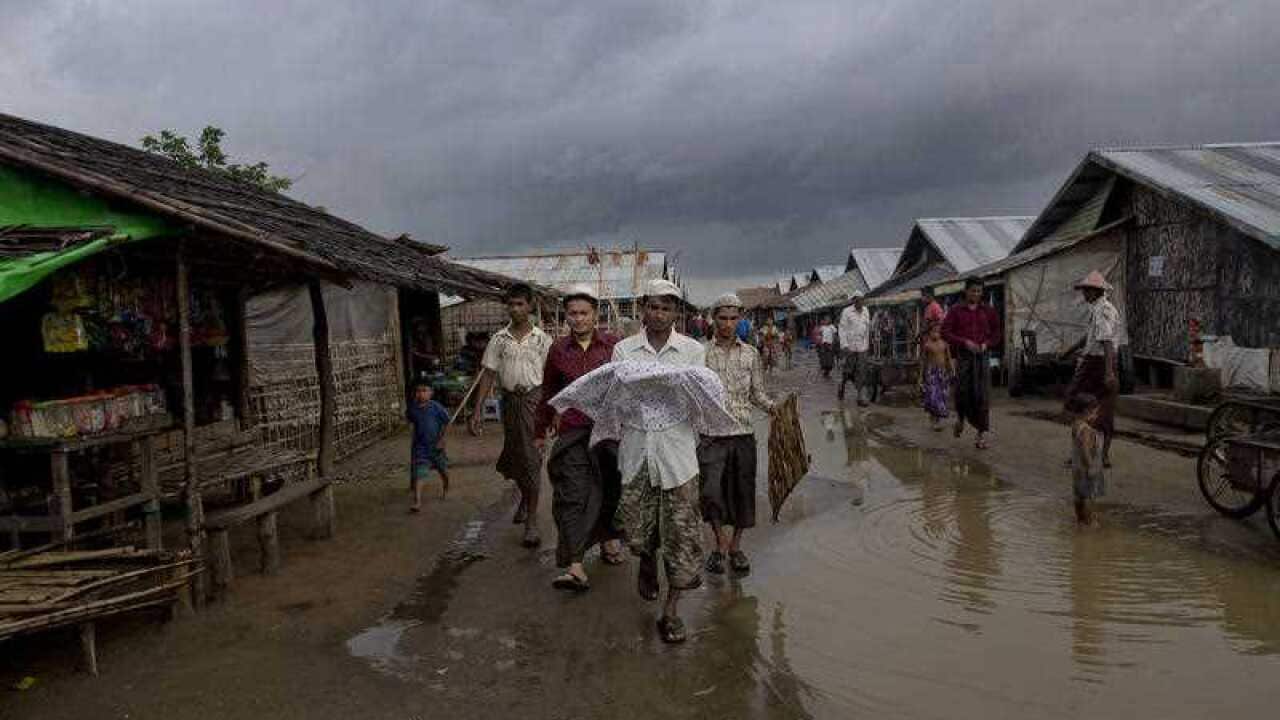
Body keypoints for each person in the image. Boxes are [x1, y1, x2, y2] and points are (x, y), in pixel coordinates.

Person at [612, 278, 707, 644]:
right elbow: (621, 398)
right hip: (636, 453)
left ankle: (671, 612)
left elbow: (695, 401)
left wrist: (657, 390)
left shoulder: (692, 351)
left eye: (667, 307)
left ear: (676, 313)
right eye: (653, 306)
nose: (659, 313)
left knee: (682, 535)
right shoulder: (623, 350)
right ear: (643, 308)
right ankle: (646, 563)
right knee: (639, 529)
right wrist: (659, 390)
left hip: (679, 458)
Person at [535, 285, 623, 592]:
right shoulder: (558, 350)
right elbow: (548, 393)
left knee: (610, 490)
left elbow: (627, 387)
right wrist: (539, 431)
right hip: (573, 433)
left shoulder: (613, 346)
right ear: (565, 316)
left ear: (595, 314)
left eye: (584, 313)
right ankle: (575, 565)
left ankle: (610, 538)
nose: (578, 319)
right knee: (572, 495)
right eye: (572, 313)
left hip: (609, 433)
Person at [469, 283, 553, 547]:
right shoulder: (499, 339)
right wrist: (478, 409)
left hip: (535, 403)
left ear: (530, 306)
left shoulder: (542, 340)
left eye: (521, 304)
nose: (516, 309)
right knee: (515, 456)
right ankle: (526, 499)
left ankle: (531, 522)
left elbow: (551, 378)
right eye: (511, 304)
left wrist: (554, 411)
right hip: (509, 403)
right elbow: (488, 375)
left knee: (531, 458)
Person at [700, 294, 774, 576]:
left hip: (743, 431)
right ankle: (719, 543)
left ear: (740, 320)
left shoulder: (751, 354)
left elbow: (757, 393)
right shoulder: (702, 353)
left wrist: (772, 407)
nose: (728, 324)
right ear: (714, 319)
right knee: (711, 492)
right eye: (723, 318)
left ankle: (735, 547)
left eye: (733, 318)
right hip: (712, 433)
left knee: (743, 491)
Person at [1059, 271, 1123, 467]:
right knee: (1104, 409)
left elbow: (1107, 343)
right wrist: (1069, 350)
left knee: (1074, 401)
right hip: (1099, 361)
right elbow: (1090, 337)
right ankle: (1097, 453)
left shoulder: (1103, 311)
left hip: (1098, 363)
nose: (1083, 294)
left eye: (1086, 290)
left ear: (1095, 291)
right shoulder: (1099, 309)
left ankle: (1091, 450)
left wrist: (1109, 372)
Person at [942, 277, 1001, 449]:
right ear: (966, 291)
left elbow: (997, 333)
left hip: (982, 358)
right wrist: (964, 342)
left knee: (982, 395)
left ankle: (981, 435)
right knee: (962, 393)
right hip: (964, 358)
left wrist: (986, 344)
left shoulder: (988, 311)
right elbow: (945, 332)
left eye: (979, 291)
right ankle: (960, 419)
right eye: (973, 290)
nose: (976, 294)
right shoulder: (955, 310)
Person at [406, 381, 451, 512]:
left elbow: (447, 423)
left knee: (444, 472)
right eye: (418, 391)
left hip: (437, 447)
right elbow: (410, 421)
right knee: (420, 474)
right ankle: (417, 501)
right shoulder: (412, 409)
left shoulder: (436, 407)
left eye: (424, 390)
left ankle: (446, 488)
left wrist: (442, 439)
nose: (421, 394)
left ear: (431, 393)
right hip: (421, 448)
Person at [1067, 392, 1105, 525]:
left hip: (1077, 469)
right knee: (1089, 499)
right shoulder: (1086, 430)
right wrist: (1091, 468)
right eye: (1095, 412)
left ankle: (1080, 522)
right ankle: (1090, 524)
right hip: (1085, 469)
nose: (1096, 415)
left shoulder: (1075, 425)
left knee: (1079, 498)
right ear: (1087, 411)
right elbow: (1085, 450)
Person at [918, 320, 955, 431]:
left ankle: (937, 420)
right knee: (933, 397)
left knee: (941, 397)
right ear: (929, 333)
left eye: (938, 332)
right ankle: (933, 421)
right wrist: (920, 377)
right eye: (933, 332)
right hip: (931, 374)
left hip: (942, 373)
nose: (936, 334)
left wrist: (952, 370)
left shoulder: (944, 344)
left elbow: (948, 359)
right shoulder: (927, 345)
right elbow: (923, 361)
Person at [838, 293, 871, 404]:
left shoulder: (866, 311)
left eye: (862, 300)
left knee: (861, 371)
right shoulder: (846, 312)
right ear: (854, 301)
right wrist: (844, 345)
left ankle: (860, 396)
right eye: (858, 301)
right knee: (848, 371)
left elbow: (867, 329)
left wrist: (867, 345)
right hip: (850, 347)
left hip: (862, 347)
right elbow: (842, 329)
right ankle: (842, 384)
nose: (860, 303)